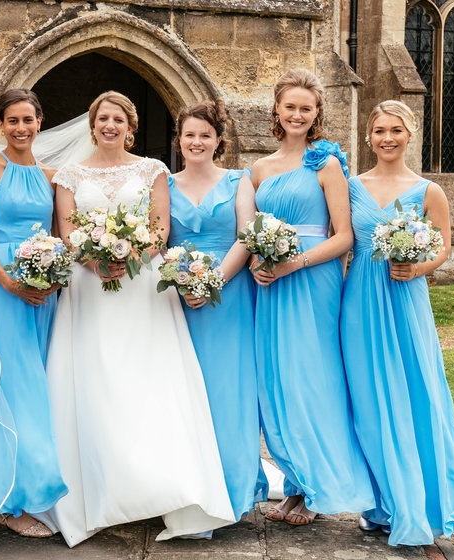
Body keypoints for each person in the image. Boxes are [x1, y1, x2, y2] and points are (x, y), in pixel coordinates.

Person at [39, 91, 236, 547]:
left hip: (142, 287)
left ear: (131, 126)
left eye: (119, 119)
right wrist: (94, 260)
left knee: (147, 381)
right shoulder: (69, 174)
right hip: (89, 288)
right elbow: (66, 231)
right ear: (92, 125)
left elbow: (160, 228)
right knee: (95, 382)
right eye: (102, 118)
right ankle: (100, 491)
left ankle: (158, 486)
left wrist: (130, 255)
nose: (110, 126)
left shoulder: (152, 169)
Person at [341, 100, 454, 545]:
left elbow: (442, 246)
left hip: (405, 298)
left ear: (411, 134)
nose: (387, 138)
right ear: (369, 136)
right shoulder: (351, 186)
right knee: (366, 399)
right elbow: (341, 239)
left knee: (414, 393)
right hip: (358, 302)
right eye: (380, 130)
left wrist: (419, 267)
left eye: (396, 130)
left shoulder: (428, 191)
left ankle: (417, 500)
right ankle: (381, 502)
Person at [248, 68, 374, 526]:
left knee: (312, 380)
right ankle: (296, 481)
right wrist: (258, 263)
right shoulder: (259, 169)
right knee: (277, 379)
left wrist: (293, 263)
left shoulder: (326, 164)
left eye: (306, 107)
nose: (297, 114)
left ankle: (316, 489)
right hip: (270, 285)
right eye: (290, 106)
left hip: (313, 280)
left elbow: (344, 239)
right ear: (276, 111)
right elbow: (247, 232)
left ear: (317, 113)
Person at [0, 88, 67, 538]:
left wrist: (53, 276)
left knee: (42, 385)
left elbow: (59, 235)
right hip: (3, 289)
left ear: (40, 121)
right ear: (0, 124)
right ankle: (10, 502)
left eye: (28, 119)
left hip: (43, 293)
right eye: (12, 121)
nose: (21, 128)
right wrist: (8, 283)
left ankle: (38, 486)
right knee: (10, 387)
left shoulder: (51, 175)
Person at [167, 100, 269, 521]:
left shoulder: (239, 180)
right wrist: (183, 284)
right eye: (189, 135)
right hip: (178, 300)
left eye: (205, 135)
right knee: (183, 394)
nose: (196, 142)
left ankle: (232, 491)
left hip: (229, 297)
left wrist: (212, 283)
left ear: (219, 141)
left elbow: (246, 236)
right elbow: (157, 238)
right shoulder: (165, 183)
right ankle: (187, 489)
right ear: (179, 140)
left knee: (229, 391)